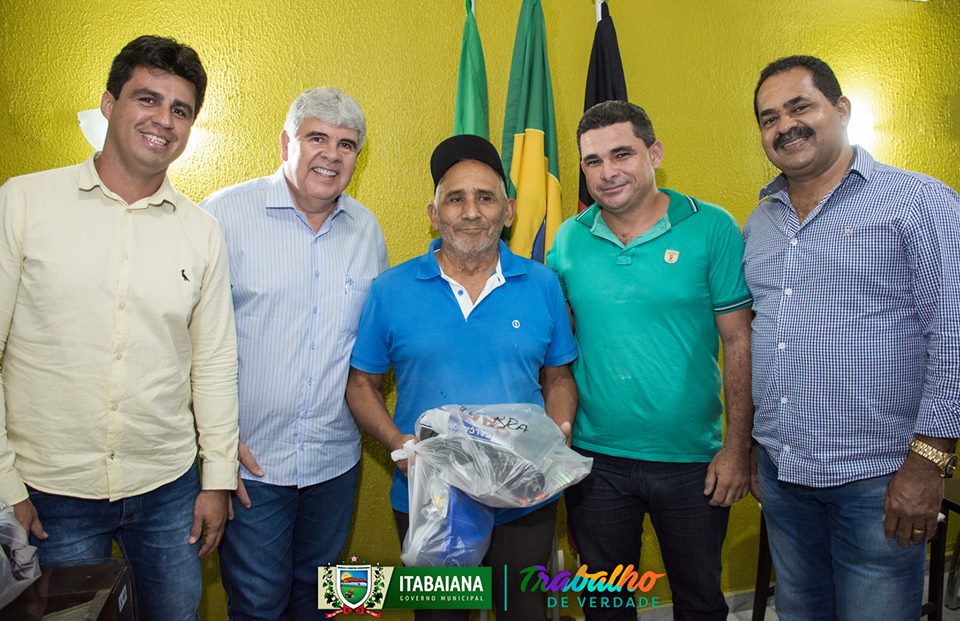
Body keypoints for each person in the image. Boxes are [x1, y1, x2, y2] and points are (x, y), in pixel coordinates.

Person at [0, 35, 239, 621]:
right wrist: (5, 485)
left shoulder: (202, 232)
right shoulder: (24, 202)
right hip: (51, 492)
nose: (163, 120)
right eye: (146, 99)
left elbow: (213, 361)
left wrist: (217, 478)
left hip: (168, 487)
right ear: (109, 104)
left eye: (180, 109)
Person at [745, 55, 960, 621]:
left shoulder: (918, 203)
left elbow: (953, 337)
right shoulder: (760, 222)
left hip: (879, 478)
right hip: (783, 475)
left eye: (800, 107)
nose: (785, 125)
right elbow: (761, 337)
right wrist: (753, 448)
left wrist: (928, 462)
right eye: (769, 118)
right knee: (800, 612)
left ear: (841, 109)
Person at [345, 134, 578, 621]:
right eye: (455, 199)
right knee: (442, 617)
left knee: (524, 613)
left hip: (524, 493)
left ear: (508, 211)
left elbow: (558, 378)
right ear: (434, 215)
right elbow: (361, 384)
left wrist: (558, 432)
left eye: (486, 198)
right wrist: (398, 445)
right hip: (431, 497)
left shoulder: (542, 284)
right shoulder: (390, 289)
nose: (471, 212)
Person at [547, 100, 753, 621]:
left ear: (654, 153)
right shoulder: (568, 240)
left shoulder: (712, 227)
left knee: (700, 602)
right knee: (606, 606)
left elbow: (739, 342)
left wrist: (737, 448)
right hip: (594, 462)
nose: (607, 172)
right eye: (593, 161)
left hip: (692, 461)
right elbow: (554, 350)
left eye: (622, 154)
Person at [202, 87, 387, 620]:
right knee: (258, 605)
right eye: (317, 138)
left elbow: (369, 347)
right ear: (286, 143)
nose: (331, 154)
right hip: (252, 463)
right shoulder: (223, 215)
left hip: (334, 462)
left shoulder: (366, 230)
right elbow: (188, 341)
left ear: (357, 157)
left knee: (321, 600)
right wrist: (213, 444)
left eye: (346, 144)